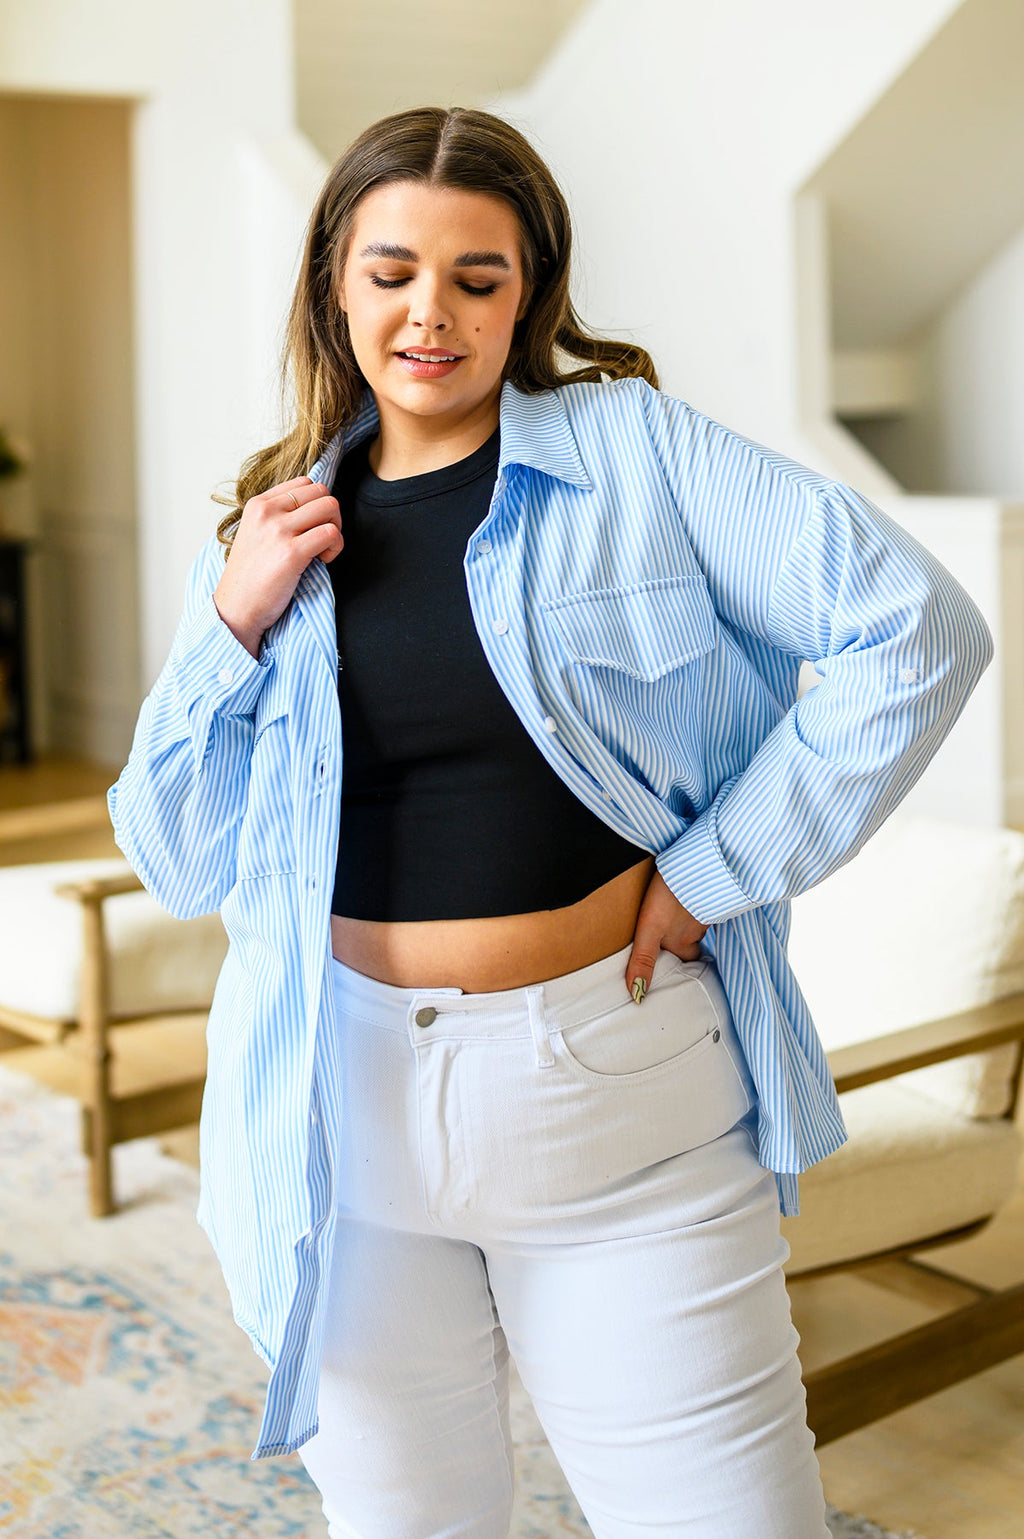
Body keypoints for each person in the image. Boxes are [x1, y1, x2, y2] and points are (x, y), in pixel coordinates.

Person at [107, 105, 992, 1538]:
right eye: (392, 272)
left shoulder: (634, 452)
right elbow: (172, 850)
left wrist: (716, 870)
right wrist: (231, 623)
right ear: (335, 283)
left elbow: (918, 630)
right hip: (337, 1117)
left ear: (530, 295)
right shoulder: (277, 529)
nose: (431, 315)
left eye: (478, 278)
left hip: (615, 1098)